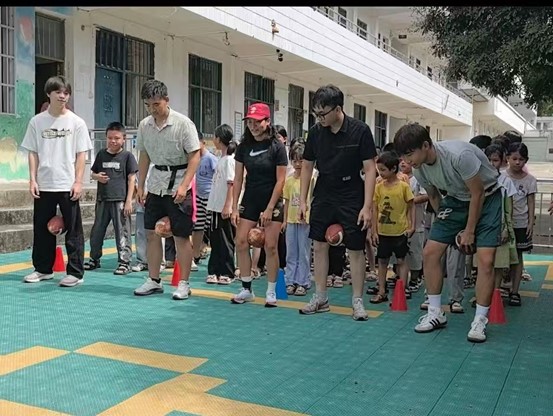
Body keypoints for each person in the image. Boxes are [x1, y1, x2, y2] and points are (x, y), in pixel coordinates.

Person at [394, 123, 502, 343]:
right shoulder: (419, 168)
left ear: (426, 145)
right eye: (403, 156)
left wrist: (469, 231)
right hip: (455, 200)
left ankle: (480, 320)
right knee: (430, 252)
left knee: (486, 260)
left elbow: (478, 193)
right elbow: (434, 197)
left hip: (488, 197)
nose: (406, 160)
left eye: (409, 154)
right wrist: (445, 227)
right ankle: (435, 313)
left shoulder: (458, 156)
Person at [298, 85, 377, 321]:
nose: (319, 118)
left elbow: (370, 169)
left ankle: (357, 301)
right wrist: (303, 200)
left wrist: (367, 206)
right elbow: (307, 166)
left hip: (352, 191)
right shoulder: (315, 133)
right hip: (324, 190)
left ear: (338, 109)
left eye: (323, 113)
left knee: (355, 248)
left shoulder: (360, 131)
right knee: (319, 244)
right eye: (316, 114)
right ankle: (320, 297)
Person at [21, 75, 92, 287]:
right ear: (48, 94)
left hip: (67, 183)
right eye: (58, 92)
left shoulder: (77, 122)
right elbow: (32, 152)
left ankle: (76, 273)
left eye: (66, 93)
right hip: (44, 183)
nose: (62, 96)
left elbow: (81, 154)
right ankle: (43, 269)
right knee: (41, 228)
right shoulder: (37, 121)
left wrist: (78, 182)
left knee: (73, 230)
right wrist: (32, 180)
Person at [133, 79, 201, 300]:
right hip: (156, 184)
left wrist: (184, 185)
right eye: (148, 105)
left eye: (156, 104)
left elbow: (194, 156)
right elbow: (144, 156)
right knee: (151, 233)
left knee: (181, 236)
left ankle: (184, 283)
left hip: (179, 182)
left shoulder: (183, 124)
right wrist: (140, 185)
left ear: (166, 100)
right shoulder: (144, 125)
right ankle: (154, 279)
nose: (152, 109)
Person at [231, 103, 288, 306]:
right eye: (250, 122)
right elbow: (238, 178)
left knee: (270, 245)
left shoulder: (277, 147)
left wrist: (270, 208)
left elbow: (281, 180)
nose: (253, 126)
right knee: (240, 241)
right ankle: (247, 288)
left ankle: (271, 291)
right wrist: (234, 206)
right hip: (251, 198)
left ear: (267, 122)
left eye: (257, 122)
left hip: (272, 200)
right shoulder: (243, 147)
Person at [84, 122, 138, 275]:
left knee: (122, 232)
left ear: (124, 139)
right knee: (97, 231)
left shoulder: (127, 156)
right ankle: (94, 259)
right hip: (102, 199)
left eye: (117, 138)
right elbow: (93, 173)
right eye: (110, 138)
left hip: (120, 200)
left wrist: (129, 201)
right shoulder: (101, 154)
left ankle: (124, 262)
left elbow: (131, 179)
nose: (113, 141)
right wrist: (97, 177)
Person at [369, 151, 414, 304]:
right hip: (383, 231)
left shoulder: (403, 187)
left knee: (401, 260)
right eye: (379, 170)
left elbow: (411, 206)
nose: (380, 173)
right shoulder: (378, 187)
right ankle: (381, 291)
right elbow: (375, 209)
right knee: (382, 261)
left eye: (383, 170)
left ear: (393, 168)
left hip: (400, 231)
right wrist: (374, 230)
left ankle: (402, 289)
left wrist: (411, 225)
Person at [505, 142, 536, 306]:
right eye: (514, 158)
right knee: (501, 257)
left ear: (526, 160)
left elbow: (531, 202)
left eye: (521, 159)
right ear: (507, 158)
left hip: (521, 223)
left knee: (517, 257)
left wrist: (530, 222)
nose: (518, 162)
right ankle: (499, 288)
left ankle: (515, 291)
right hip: (504, 224)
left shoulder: (530, 180)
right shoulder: (501, 177)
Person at [205, 124, 237, 285]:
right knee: (215, 240)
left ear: (219, 139)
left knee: (225, 240)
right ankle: (214, 270)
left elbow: (231, 184)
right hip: (215, 206)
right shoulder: (221, 159)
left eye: (215, 137)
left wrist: (228, 205)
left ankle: (227, 271)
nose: (213, 140)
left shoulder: (230, 160)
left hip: (223, 207)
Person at [283, 141, 314, 296]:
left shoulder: (311, 180)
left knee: (304, 252)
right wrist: (284, 220)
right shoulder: (289, 180)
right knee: (291, 252)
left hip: (305, 221)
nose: (297, 164)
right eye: (294, 160)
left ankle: (303, 281)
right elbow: (287, 202)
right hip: (291, 220)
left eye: (301, 160)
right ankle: (290, 281)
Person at [399, 158, 428, 292]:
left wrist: (408, 200)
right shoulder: (397, 179)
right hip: (399, 222)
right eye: (400, 161)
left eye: (406, 161)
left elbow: (426, 195)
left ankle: (415, 278)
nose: (402, 163)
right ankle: (399, 277)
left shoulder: (419, 178)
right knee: (399, 253)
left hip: (416, 222)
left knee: (415, 253)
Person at [192, 132, 218, 266]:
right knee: (197, 226)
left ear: (203, 143)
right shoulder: (194, 158)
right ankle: (195, 254)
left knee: (211, 227)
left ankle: (214, 255)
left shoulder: (210, 158)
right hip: (198, 196)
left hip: (210, 197)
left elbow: (218, 176)